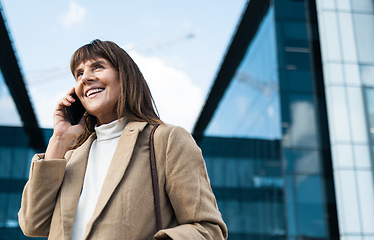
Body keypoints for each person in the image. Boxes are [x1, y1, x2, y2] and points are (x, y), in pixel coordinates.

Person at [18, 39, 227, 239]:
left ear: (124, 76)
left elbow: (208, 230)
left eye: (98, 67)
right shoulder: (71, 157)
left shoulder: (166, 140)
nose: (85, 78)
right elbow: (33, 224)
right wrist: (60, 139)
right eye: (79, 73)